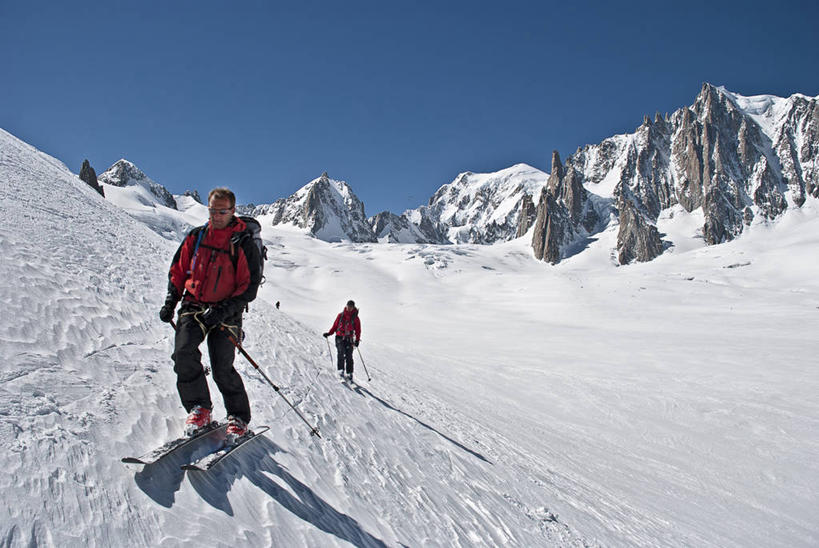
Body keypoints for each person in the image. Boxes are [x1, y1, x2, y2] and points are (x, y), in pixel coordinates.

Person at [159, 187, 262, 440]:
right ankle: (199, 407)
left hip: (227, 312)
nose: (216, 216)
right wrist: (171, 302)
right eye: (212, 210)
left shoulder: (243, 243)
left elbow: (249, 288)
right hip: (193, 305)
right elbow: (178, 271)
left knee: (221, 366)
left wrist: (224, 311)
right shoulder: (197, 237)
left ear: (233, 211)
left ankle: (238, 417)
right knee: (183, 353)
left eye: (222, 211)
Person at [323, 300, 361, 381]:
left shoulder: (355, 318)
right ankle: (341, 370)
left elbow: (358, 330)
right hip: (339, 337)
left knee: (349, 356)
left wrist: (357, 340)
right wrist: (329, 333)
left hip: (349, 339)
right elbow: (335, 326)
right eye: (348, 306)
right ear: (346, 306)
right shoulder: (340, 315)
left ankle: (349, 372)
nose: (349, 308)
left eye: (351, 306)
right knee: (340, 353)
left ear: (353, 307)